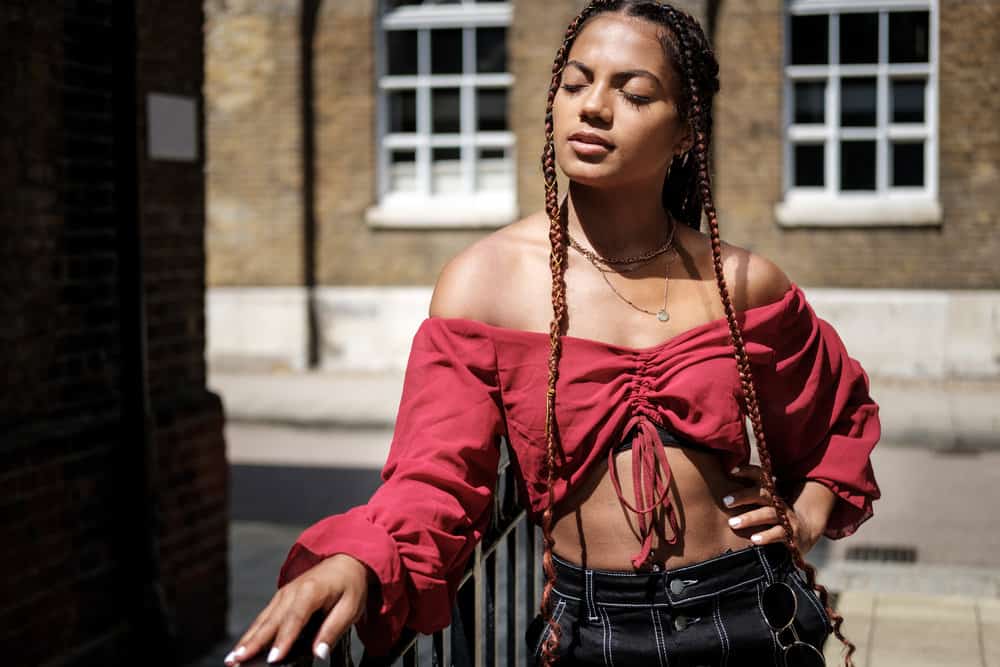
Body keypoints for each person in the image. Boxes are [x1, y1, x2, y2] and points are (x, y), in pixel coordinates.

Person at [224, 2, 881, 666]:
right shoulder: (484, 284)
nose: (593, 107)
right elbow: (436, 475)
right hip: (593, 630)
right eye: (575, 82)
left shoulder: (742, 282)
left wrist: (805, 516)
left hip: (751, 612)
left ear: (685, 132)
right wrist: (358, 559)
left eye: (634, 92)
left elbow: (839, 417)